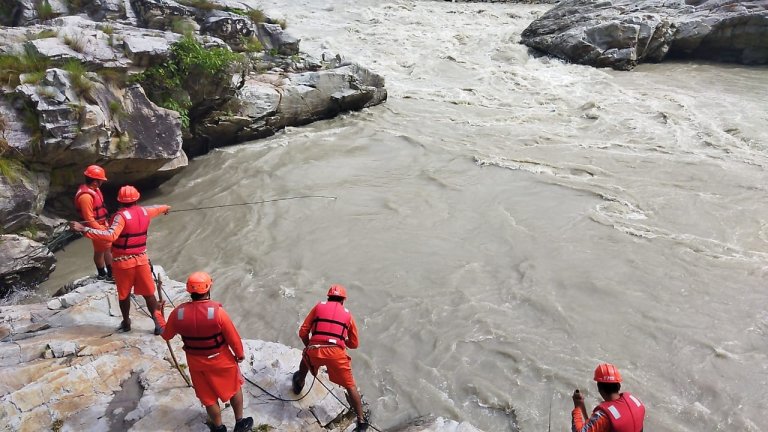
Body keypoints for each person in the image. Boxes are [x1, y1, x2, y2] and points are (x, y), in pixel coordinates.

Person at [153, 272, 254, 432]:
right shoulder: (218, 313)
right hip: (222, 360)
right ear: (208, 289)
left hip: (196, 363)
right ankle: (239, 422)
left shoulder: (178, 314)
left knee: (208, 399)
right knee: (234, 389)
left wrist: (158, 314)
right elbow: (233, 338)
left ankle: (219, 427)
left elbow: (166, 334)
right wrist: (240, 355)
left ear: (189, 291)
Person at [69, 185, 169, 334]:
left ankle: (127, 322)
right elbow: (157, 208)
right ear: (136, 199)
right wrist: (166, 208)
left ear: (120, 202)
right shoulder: (145, 211)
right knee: (149, 294)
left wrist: (84, 229)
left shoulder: (119, 217)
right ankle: (159, 325)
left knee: (124, 294)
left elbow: (111, 235)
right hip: (141, 260)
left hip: (123, 262)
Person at [292, 284, 368, 431]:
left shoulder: (318, 307)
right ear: (343, 300)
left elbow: (303, 332)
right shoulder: (348, 315)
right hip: (337, 354)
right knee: (350, 385)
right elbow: (354, 343)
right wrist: (340, 340)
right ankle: (361, 421)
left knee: (305, 359)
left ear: (328, 297)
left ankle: (299, 383)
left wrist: (310, 346)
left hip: (316, 350)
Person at [571, 363, 646, 432]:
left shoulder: (603, 416)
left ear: (599, 389)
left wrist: (577, 408)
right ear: (619, 386)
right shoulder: (636, 402)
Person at [74, 164, 113, 280]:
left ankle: (102, 273)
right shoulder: (85, 197)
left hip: (101, 223)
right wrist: (104, 231)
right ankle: (111, 274)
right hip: (96, 226)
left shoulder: (94, 190)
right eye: (101, 180)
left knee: (100, 250)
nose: (102, 182)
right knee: (107, 249)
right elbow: (89, 219)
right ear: (95, 182)